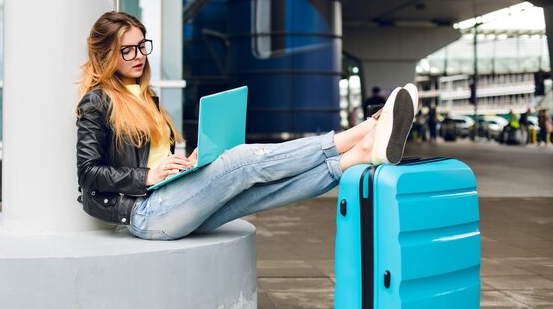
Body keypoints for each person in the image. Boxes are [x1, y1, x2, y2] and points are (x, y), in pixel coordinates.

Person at [76, 12, 418, 240]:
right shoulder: (97, 102)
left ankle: (356, 156)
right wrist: (148, 177)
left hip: (173, 199)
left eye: (141, 46)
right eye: (127, 50)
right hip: (145, 212)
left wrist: (188, 163)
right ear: (106, 55)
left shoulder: (144, 96)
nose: (138, 55)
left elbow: (153, 156)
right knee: (241, 160)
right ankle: (361, 132)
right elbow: (89, 173)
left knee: (257, 192)